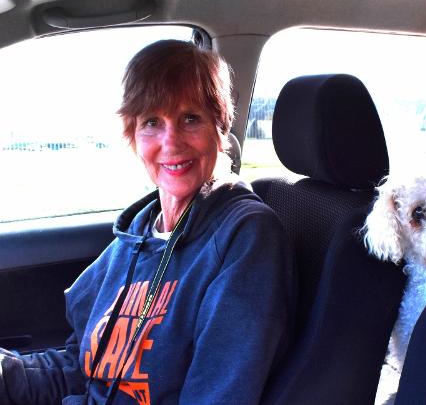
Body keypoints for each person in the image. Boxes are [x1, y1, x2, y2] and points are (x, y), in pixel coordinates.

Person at [0, 40, 296, 404]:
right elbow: (84, 369)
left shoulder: (245, 237)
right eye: (152, 122)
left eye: (190, 118)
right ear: (133, 136)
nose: (171, 142)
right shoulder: (137, 234)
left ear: (220, 130)